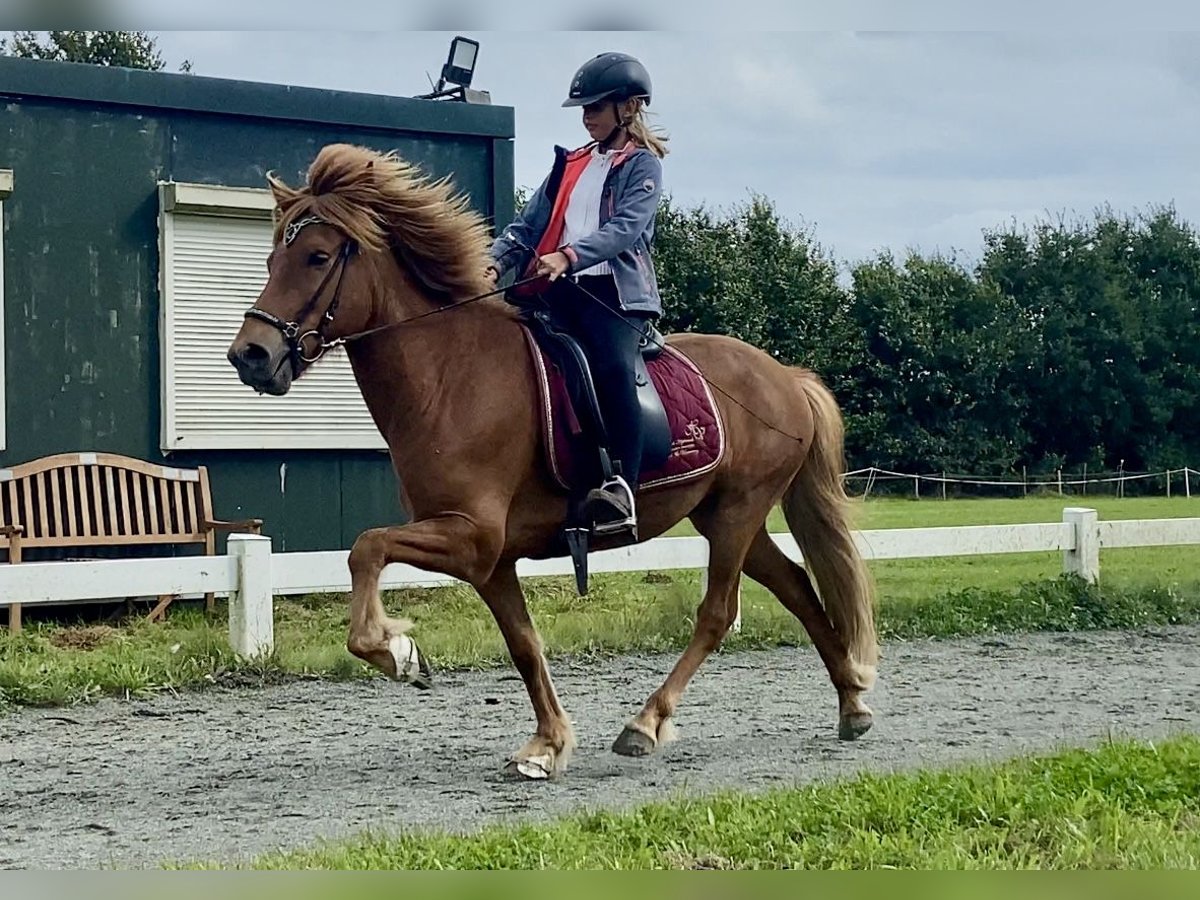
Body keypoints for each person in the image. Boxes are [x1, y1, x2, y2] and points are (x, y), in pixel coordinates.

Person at [486, 51, 668, 537]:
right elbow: (527, 226)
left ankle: (622, 488)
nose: (586, 116)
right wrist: (494, 260)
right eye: (583, 108)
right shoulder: (570, 164)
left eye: (595, 107)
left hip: (613, 295)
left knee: (610, 367)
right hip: (557, 291)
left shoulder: (642, 166)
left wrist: (568, 256)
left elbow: (626, 229)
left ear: (627, 109)